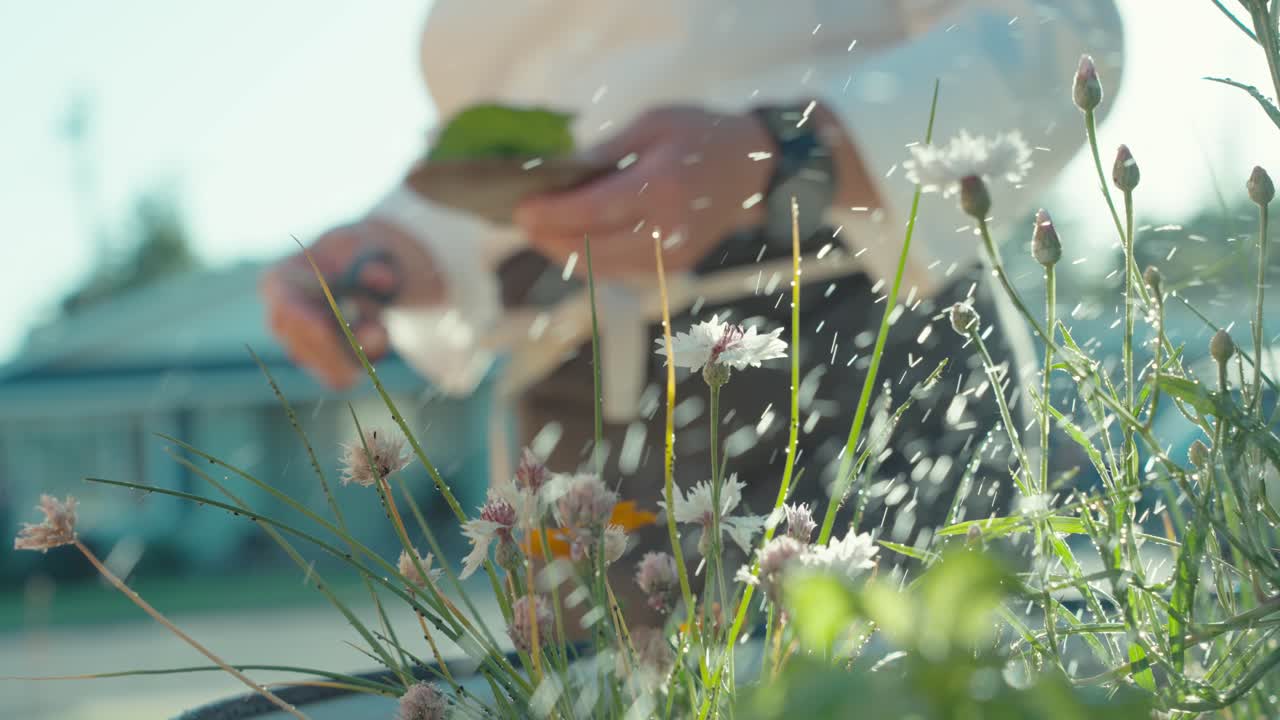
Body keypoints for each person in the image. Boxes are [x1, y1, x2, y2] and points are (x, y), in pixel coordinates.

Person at [262, 1, 1124, 626]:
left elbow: (1054, 30)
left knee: (917, 680)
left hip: (854, 332)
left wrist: (791, 148)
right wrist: (402, 246)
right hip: (571, 400)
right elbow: (542, 112)